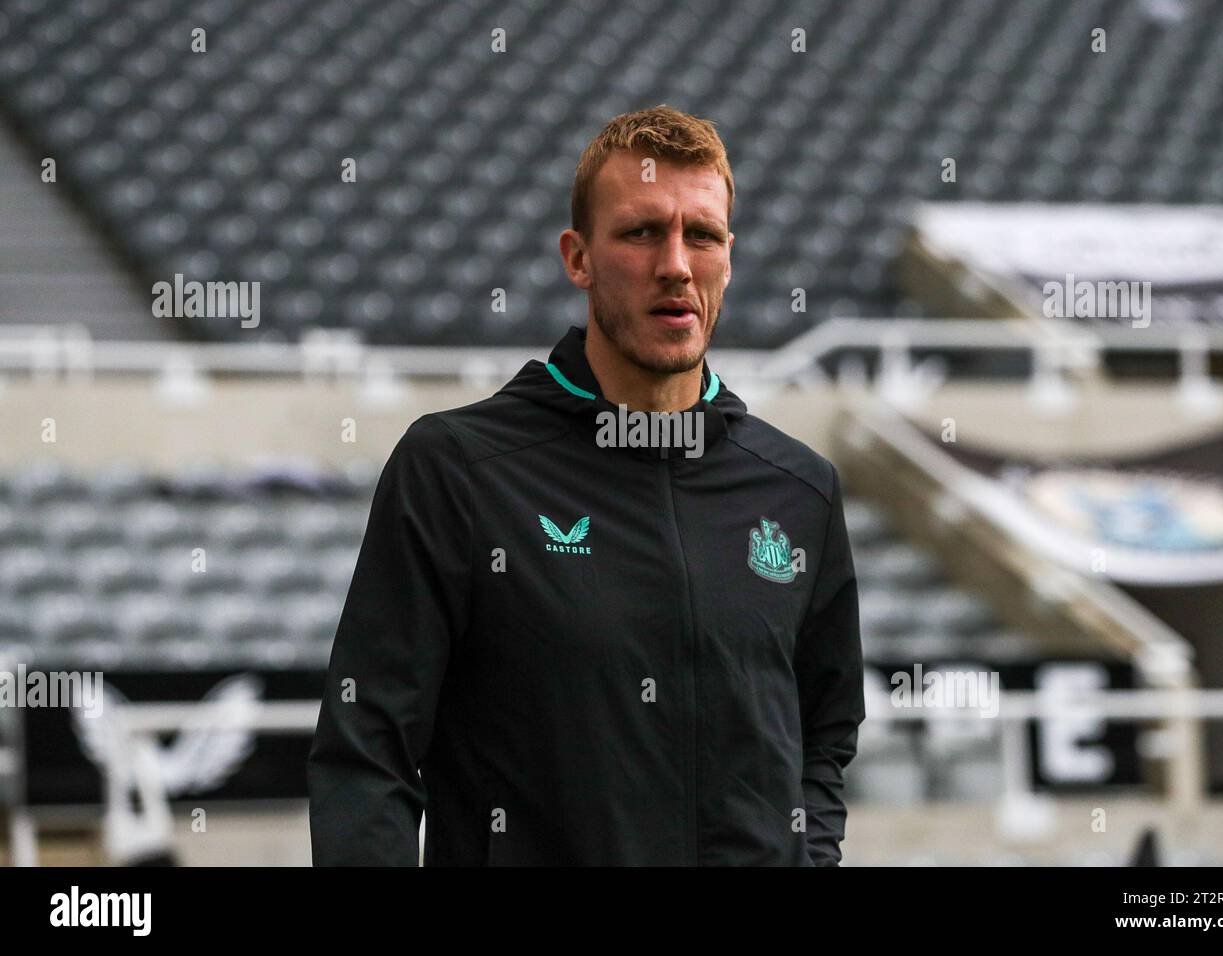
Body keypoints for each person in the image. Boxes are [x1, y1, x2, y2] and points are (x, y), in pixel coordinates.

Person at [307, 104, 865, 866]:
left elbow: (824, 735)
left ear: (728, 257)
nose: (676, 264)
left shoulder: (798, 490)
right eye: (642, 232)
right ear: (578, 257)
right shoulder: (457, 470)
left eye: (700, 234)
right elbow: (367, 746)